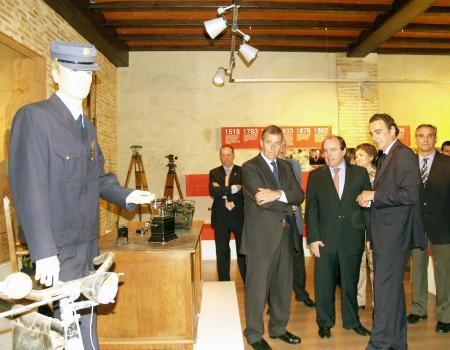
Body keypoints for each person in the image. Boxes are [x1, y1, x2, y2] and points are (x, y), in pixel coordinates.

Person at [8, 40, 155, 350]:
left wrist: (128, 195)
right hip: (58, 248)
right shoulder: (34, 117)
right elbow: (28, 187)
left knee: (84, 319)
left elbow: (98, 177)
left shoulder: (86, 127)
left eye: (88, 73)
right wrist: (44, 251)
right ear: (56, 73)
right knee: (67, 327)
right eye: (74, 71)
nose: (83, 78)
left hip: (87, 243)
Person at [356, 113, 424, 350]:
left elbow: (409, 194)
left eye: (379, 132)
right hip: (386, 233)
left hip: (394, 235)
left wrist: (374, 195)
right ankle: (396, 341)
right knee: (392, 290)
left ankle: (380, 343)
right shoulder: (388, 155)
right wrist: (371, 199)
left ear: (393, 130)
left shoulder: (403, 154)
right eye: (372, 133)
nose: (375, 137)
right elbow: (392, 193)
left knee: (384, 291)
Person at [241, 125, 304, 350]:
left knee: (282, 286)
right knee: (257, 289)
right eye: (269, 142)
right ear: (261, 142)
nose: (273, 148)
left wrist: (277, 194)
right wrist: (289, 203)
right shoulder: (249, 167)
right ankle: (254, 334)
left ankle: (278, 328)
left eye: (277, 143)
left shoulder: (287, 166)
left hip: (286, 236)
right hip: (260, 239)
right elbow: (261, 199)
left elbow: (299, 194)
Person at [306, 135, 371, 340]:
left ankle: (352, 321)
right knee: (323, 284)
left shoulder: (360, 173)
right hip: (325, 239)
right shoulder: (316, 177)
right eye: (325, 150)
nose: (328, 154)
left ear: (343, 151)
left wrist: (370, 236)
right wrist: (313, 238)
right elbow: (312, 210)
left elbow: (367, 207)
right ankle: (324, 322)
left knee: (350, 282)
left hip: (352, 237)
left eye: (333, 149)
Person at [407, 124, 450, 334]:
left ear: (435, 138)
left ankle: (445, 315)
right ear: (416, 138)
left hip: (443, 226)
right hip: (416, 226)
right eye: (421, 136)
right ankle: (418, 308)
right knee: (417, 270)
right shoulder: (407, 163)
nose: (425, 140)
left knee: (444, 274)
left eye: (429, 136)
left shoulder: (447, 163)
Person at [278, 138, 315, 307]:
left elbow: (298, 191)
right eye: (279, 145)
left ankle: (301, 293)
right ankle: (276, 301)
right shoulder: (266, 167)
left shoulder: (294, 164)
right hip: (277, 221)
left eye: (284, 145)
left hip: (294, 217)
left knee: (298, 258)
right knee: (278, 263)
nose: (281, 149)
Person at [209, 144, 245, 281]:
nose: (226, 158)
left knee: (242, 250)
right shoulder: (214, 172)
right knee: (222, 250)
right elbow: (213, 192)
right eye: (223, 155)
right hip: (221, 217)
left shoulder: (242, 171)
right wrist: (233, 188)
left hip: (239, 216)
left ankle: (247, 280)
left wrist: (222, 189)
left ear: (233, 155)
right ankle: (224, 282)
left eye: (229, 154)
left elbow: (244, 190)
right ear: (220, 157)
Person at [354, 143, 378, 311]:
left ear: (371, 157)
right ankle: (359, 300)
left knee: (374, 265)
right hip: (357, 225)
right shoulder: (353, 175)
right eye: (356, 156)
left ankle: (378, 303)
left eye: (361, 155)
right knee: (359, 264)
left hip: (375, 225)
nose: (357, 158)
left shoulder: (380, 175)